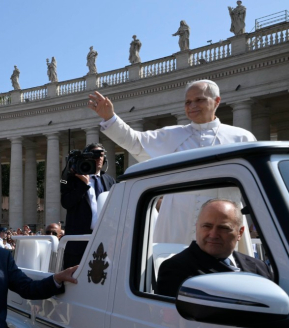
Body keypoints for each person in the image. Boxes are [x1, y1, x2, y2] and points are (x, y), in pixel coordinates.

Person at [88, 80, 256, 250]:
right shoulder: (172, 135)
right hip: (178, 222)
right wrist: (110, 117)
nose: (192, 106)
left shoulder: (241, 137)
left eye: (199, 100)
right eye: (188, 102)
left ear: (217, 101)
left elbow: (254, 186)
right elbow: (135, 142)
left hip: (224, 223)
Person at [156, 199, 272, 297]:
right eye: (207, 226)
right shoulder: (176, 269)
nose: (213, 234)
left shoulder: (259, 267)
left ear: (240, 233)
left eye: (223, 228)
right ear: (197, 228)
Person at [61, 143, 116, 268]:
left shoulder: (109, 180)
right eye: (95, 155)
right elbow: (66, 202)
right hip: (79, 241)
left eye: (102, 155)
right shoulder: (72, 178)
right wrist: (83, 185)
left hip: (104, 238)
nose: (99, 158)